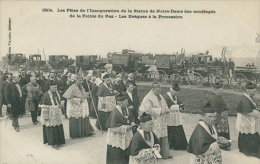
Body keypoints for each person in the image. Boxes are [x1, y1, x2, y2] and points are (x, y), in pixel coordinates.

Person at [139, 82, 172, 159]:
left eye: (160, 89)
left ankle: (165, 154)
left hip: (161, 120)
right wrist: (161, 110)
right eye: (158, 89)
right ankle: (155, 155)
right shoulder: (148, 98)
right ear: (153, 89)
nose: (159, 91)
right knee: (155, 136)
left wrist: (166, 109)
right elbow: (148, 110)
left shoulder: (159, 95)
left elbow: (165, 104)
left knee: (163, 135)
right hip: (153, 120)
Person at [105, 94, 136, 164]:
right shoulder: (115, 112)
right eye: (126, 102)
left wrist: (132, 122)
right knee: (116, 155)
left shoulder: (126, 109)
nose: (127, 103)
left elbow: (130, 118)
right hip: (117, 138)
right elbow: (113, 127)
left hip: (125, 136)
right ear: (120, 103)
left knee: (125, 154)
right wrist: (127, 127)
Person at [236, 82, 260, 158]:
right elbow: (248, 111)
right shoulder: (245, 99)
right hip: (246, 120)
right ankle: (250, 151)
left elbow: (251, 107)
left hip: (248, 120)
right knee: (248, 134)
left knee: (249, 134)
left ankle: (246, 149)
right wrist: (258, 112)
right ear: (249, 91)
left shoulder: (249, 97)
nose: (255, 92)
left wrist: (257, 109)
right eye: (254, 91)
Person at [39, 81, 65, 148]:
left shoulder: (57, 93)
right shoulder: (46, 95)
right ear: (50, 87)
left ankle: (59, 141)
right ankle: (53, 142)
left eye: (56, 87)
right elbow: (44, 106)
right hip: (50, 113)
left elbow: (61, 100)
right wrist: (45, 116)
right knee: (51, 127)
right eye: (54, 87)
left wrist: (61, 104)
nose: (55, 88)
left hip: (57, 113)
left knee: (58, 126)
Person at [163, 84, 188, 150]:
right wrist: (178, 106)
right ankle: (170, 144)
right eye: (175, 92)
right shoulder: (166, 97)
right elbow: (168, 106)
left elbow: (179, 103)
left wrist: (181, 105)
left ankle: (178, 145)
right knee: (170, 128)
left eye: (177, 93)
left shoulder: (175, 97)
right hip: (169, 115)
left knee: (177, 128)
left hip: (176, 115)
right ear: (171, 90)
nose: (176, 94)